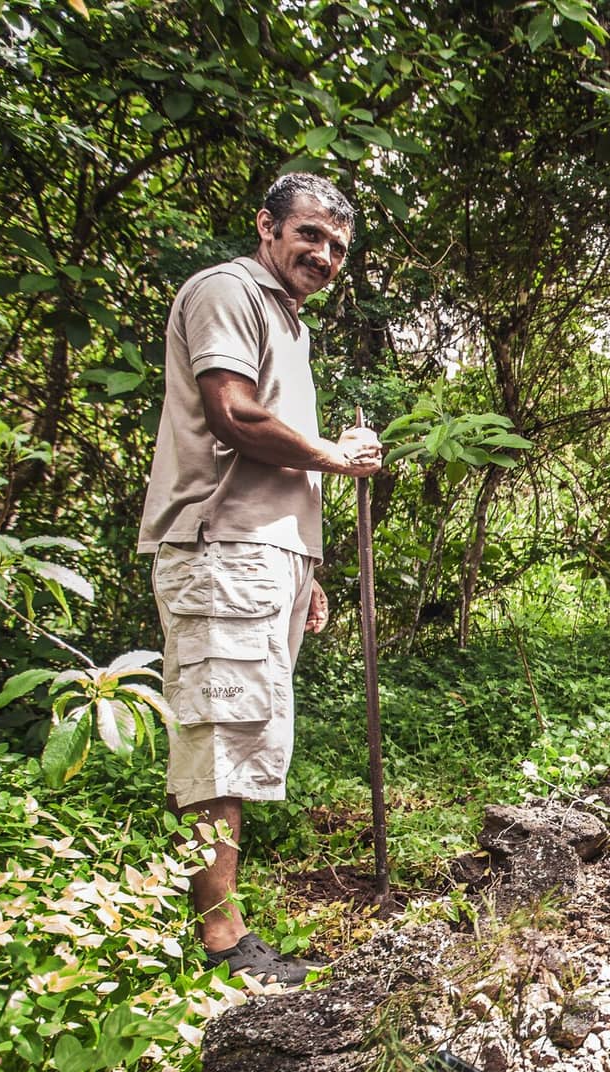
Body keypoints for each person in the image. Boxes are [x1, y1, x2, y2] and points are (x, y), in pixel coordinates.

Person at [138, 173, 384, 986]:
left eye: (338, 247)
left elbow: (273, 463)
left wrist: (306, 569)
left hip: (266, 556)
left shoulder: (290, 322)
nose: (324, 255)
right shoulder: (226, 291)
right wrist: (332, 455)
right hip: (221, 549)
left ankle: (224, 922)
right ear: (267, 227)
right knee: (219, 732)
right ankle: (221, 944)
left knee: (245, 734)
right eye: (310, 235)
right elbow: (233, 415)